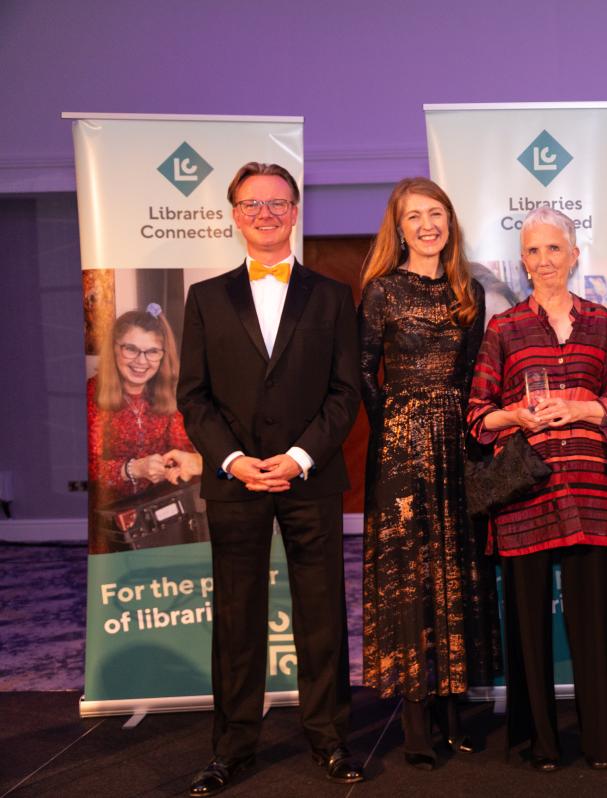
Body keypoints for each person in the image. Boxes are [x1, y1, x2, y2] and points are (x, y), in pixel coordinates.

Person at [178, 162, 363, 795]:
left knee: (321, 614)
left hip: (308, 477)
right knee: (236, 617)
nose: (265, 213)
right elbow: (194, 397)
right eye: (252, 204)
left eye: (277, 203)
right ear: (234, 214)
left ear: (295, 211)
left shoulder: (333, 295)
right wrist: (232, 460)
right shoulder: (204, 298)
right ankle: (232, 747)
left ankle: (331, 739)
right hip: (235, 481)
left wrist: (299, 457)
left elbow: (346, 393)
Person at [467, 207, 607, 772]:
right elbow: (476, 417)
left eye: (554, 249)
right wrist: (516, 416)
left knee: (592, 624)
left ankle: (601, 741)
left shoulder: (602, 324)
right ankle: (540, 741)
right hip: (524, 495)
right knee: (529, 628)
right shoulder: (503, 328)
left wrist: (581, 407)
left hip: (588, 491)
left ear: (574, 254)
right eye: (534, 252)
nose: (544, 261)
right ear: (522, 261)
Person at [358, 177, 500, 770]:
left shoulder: (468, 291)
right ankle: (415, 721)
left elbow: (471, 376)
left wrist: (466, 436)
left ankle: (452, 714)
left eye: (435, 213)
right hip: (399, 449)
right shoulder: (380, 291)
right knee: (408, 577)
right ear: (399, 227)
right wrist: (396, 428)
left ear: (450, 221)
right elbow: (366, 373)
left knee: (454, 574)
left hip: (456, 441)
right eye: (413, 216)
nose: (426, 224)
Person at [88, 305, 202, 553]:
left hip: (161, 516)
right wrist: (132, 469)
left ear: (163, 355)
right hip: (106, 521)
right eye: (131, 349)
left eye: (152, 352)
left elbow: (182, 448)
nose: (141, 361)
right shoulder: (91, 394)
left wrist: (176, 465)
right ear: (114, 349)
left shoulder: (170, 393)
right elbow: (88, 466)